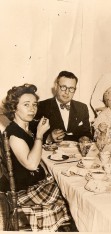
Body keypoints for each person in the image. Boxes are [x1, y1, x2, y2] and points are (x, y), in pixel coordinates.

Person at [2, 84, 71, 231]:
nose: (32, 109)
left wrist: (45, 138)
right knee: (70, 190)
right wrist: (40, 135)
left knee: (67, 181)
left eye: (34, 105)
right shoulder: (14, 134)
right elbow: (32, 165)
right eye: (26, 105)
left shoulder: (25, 127)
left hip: (33, 182)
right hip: (26, 190)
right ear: (14, 108)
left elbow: (32, 148)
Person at [32, 71, 91, 143]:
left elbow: (87, 133)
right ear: (56, 86)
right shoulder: (41, 106)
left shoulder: (82, 108)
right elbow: (32, 135)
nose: (67, 92)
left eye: (71, 88)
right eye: (63, 87)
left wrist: (85, 138)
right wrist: (49, 138)